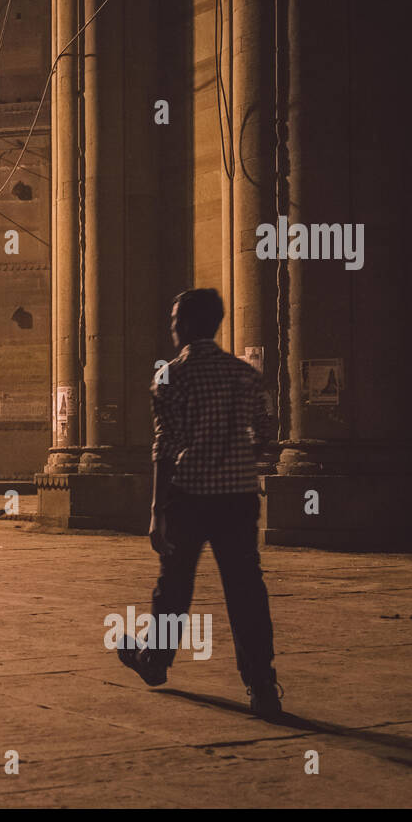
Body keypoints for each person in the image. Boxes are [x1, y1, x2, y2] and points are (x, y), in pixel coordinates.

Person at [117, 288, 283, 719]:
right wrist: (240, 459)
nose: (171, 325)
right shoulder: (244, 373)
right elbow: (265, 432)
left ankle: (156, 661)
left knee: (174, 586)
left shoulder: (170, 376)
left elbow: (163, 446)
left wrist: (157, 511)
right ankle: (262, 686)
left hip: (189, 497)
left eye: (175, 319)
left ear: (188, 325)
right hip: (239, 499)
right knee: (246, 589)